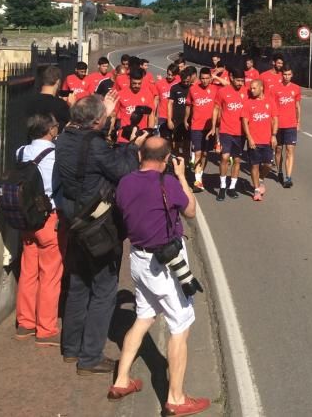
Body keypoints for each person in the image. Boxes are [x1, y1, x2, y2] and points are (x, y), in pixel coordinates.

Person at [109, 138, 211, 415]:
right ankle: (176, 398)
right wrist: (181, 177)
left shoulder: (125, 182)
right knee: (180, 325)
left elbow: (122, 208)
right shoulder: (168, 183)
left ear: (140, 154)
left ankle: (121, 379)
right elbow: (190, 211)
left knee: (143, 317)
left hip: (138, 259)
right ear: (166, 159)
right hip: (165, 263)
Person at [54, 94, 146, 375]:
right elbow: (123, 170)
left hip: (74, 220)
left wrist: (102, 115)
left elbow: (91, 150)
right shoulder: (94, 145)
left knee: (79, 284)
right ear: (96, 121)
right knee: (104, 290)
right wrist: (133, 146)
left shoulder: (65, 137)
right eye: (103, 117)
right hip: (98, 224)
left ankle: (71, 348)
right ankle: (90, 357)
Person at [14, 113, 64, 347]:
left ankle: (25, 322)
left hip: (27, 218)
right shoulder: (55, 155)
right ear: (49, 130)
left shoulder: (21, 151)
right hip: (48, 217)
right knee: (50, 274)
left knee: (28, 270)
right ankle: (46, 328)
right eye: (55, 126)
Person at [213, 68, 247, 201]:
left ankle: (232, 187)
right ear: (231, 78)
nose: (240, 83)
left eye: (242, 81)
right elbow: (216, 108)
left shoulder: (246, 92)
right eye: (238, 80)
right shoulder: (222, 92)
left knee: (237, 160)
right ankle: (222, 186)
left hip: (241, 132)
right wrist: (213, 127)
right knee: (225, 157)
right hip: (225, 130)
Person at [242, 79, 277, 202]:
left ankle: (261, 178)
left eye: (254, 88)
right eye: (251, 88)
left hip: (267, 140)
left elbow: (275, 119)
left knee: (268, 164)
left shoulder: (270, 102)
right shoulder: (248, 103)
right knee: (254, 166)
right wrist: (249, 138)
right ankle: (256, 190)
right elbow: (245, 122)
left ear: (261, 88)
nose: (251, 90)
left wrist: (274, 135)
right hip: (254, 141)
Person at [187, 67, 219, 190]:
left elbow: (218, 107)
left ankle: (200, 174)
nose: (205, 81)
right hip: (196, 126)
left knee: (205, 154)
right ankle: (198, 180)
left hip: (209, 127)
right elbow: (189, 106)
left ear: (210, 78)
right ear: (199, 78)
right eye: (202, 78)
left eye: (207, 78)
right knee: (198, 153)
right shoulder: (193, 89)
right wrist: (186, 120)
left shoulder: (216, 90)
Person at [272, 65, 302, 188]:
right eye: (285, 74)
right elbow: (272, 108)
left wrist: (298, 122)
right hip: (278, 125)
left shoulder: (296, 88)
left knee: (290, 150)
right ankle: (279, 170)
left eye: (289, 74)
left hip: (291, 125)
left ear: (292, 75)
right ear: (281, 75)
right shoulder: (274, 89)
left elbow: (297, 106)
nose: (287, 77)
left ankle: (288, 177)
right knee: (278, 149)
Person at [115, 69, 157, 144]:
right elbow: (113, 115)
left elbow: (151, 114)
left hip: (140, 138)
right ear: (130, 80)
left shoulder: (147, 94)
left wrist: (149, 132)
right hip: (124, 137)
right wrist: (110, 132)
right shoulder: (121, 94)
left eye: (139, 83)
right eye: (134, 83)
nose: (137, 86)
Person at [26, 65, 71, 131]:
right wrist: (71, 105)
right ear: (58, 82)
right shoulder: (59, 104)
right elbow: (72, 125)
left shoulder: (30, 101)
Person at [168, 66, 195, 162]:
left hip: (189, 121)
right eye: (184, 81)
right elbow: (170, 103)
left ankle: (187, 162)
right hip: (177, 120)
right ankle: (176, 160)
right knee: (177, 142)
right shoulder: (174, 88)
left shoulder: (193, 88)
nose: (186, 83)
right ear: (181, 79)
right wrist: (169, 119)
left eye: (188, 81)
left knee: (187, 143)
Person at [156, 63, 181, 139]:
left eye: (172, 75)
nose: (169, 77)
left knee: (176, 139)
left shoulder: (179, 83)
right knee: (165, 139)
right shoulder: (159, 83)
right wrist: (155, 115)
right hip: (163, 116)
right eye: (168, 74)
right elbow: (156, 99)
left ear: (176, 75)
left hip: (176, 115)